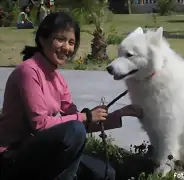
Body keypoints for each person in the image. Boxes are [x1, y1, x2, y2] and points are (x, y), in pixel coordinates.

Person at [0, 12, 143, 180]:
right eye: (60, 39)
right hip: (13, 157)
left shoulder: (58, 78)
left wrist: (119, 114)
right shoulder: (28, 72)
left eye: (71, 42)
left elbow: (79, 123)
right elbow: (41, 125)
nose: (67, 47)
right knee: (74, 130)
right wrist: (86, 116)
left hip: (40, 153)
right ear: (42, 39)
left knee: (104, 173)